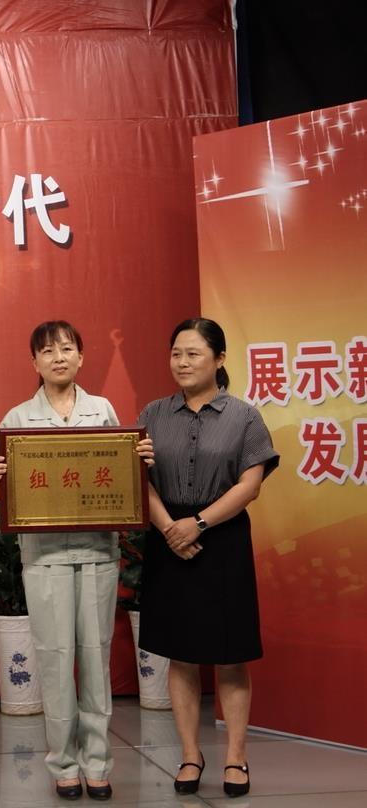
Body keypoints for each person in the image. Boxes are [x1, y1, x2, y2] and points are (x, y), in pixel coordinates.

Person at [0, 320, 154, 802]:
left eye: (66, 348)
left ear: (81, 357)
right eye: (47, 351)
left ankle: (97, 762)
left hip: (97, 551)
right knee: (55, 660)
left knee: (95, 658)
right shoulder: (18, 418)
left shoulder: (102, 410)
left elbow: (121, 472)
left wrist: (140, 457)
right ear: (34, 362)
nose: (58, 357)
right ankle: (63, 764)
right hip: (43, 558)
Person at [137, 318, 278, 799]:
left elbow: (250, 485)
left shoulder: (245, 417)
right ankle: (190, 754)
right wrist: (169, 528)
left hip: (222, 538)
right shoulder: (153, 414)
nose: (182, 362)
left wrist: (196, 525)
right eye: (176, 353)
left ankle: (236, 756)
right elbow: (139, 479)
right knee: (180, 654)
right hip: (167, 537)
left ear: (219, 359)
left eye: (193, 354)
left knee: (231, 655)